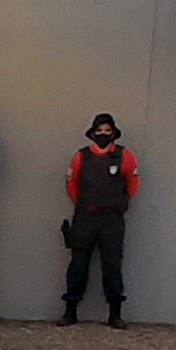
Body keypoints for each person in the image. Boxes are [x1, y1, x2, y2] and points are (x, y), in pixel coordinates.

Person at [61, 112, 140, 328]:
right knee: (78, 265)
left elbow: (133, 185)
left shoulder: (125, 156)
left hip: (112, 219)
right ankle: (70, 312)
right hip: (86, 216)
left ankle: (115, 314)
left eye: (107, 131)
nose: (103, 135)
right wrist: (86, 204)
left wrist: (117, 205)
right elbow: (72, 184)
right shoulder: (81, 156)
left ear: (114, 133)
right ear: (92, 133)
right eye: (99, 131)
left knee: (112, 266)